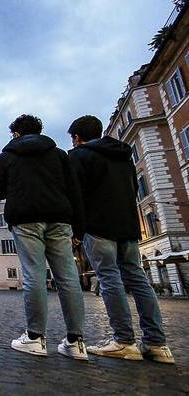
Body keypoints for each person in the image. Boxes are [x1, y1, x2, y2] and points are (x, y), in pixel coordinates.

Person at [67, 115, 175, 364]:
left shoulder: (79, 157)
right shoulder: (124, 156)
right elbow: (134, 190)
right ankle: (157, 344)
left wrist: (77, 230)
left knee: (109, 279)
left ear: (76, 138)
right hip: (128, 226)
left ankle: (124, 341)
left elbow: (76, 196)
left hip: (98, 226)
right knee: (138, 279)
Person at [0, 114, 87, 360]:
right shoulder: (59, 155)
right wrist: (79, 228)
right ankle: (76, 342)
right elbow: (74, 190)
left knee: (34, 275)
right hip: (59, 218)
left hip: (25, 219)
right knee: (67, 277)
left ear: (16, 134)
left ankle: (35, 338)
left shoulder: (7, 155)